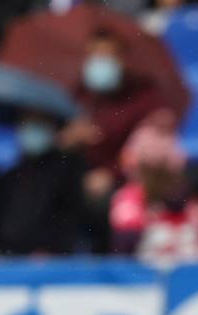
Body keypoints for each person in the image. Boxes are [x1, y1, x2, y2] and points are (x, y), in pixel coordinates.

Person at [63, 30, 176, 252]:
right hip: (82, 175)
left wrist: (111, 174)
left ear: (122, 59)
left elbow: (148, 151)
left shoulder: (145, 96)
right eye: (93, 55)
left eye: (106, 55)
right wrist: (70, 138)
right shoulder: (81, 95)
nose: (99, 61)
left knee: (105, 202)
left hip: (125, 180)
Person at [109, 123, 198, 266]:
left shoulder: (192, 204)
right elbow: (124, 249)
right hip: (141, 279)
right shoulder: (129, 198)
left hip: (188, 276)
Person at [0, 112, 86, 256]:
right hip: (8, 258)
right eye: (27, 123)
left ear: (53, 128)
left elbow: (72, 213)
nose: (31, 131)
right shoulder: (10, 174)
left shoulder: (67, 166)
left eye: (39, 124)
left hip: (52, 260)